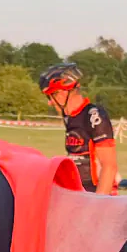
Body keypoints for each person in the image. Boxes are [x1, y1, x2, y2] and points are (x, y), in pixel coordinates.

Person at [40, 62, 118, 194]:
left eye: (50, 96)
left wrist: (96, 205)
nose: (50, 102)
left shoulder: (94, 116)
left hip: (96, 194)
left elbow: (109, 166)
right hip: (80, 192)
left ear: (62, 94)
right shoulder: (69, 117)